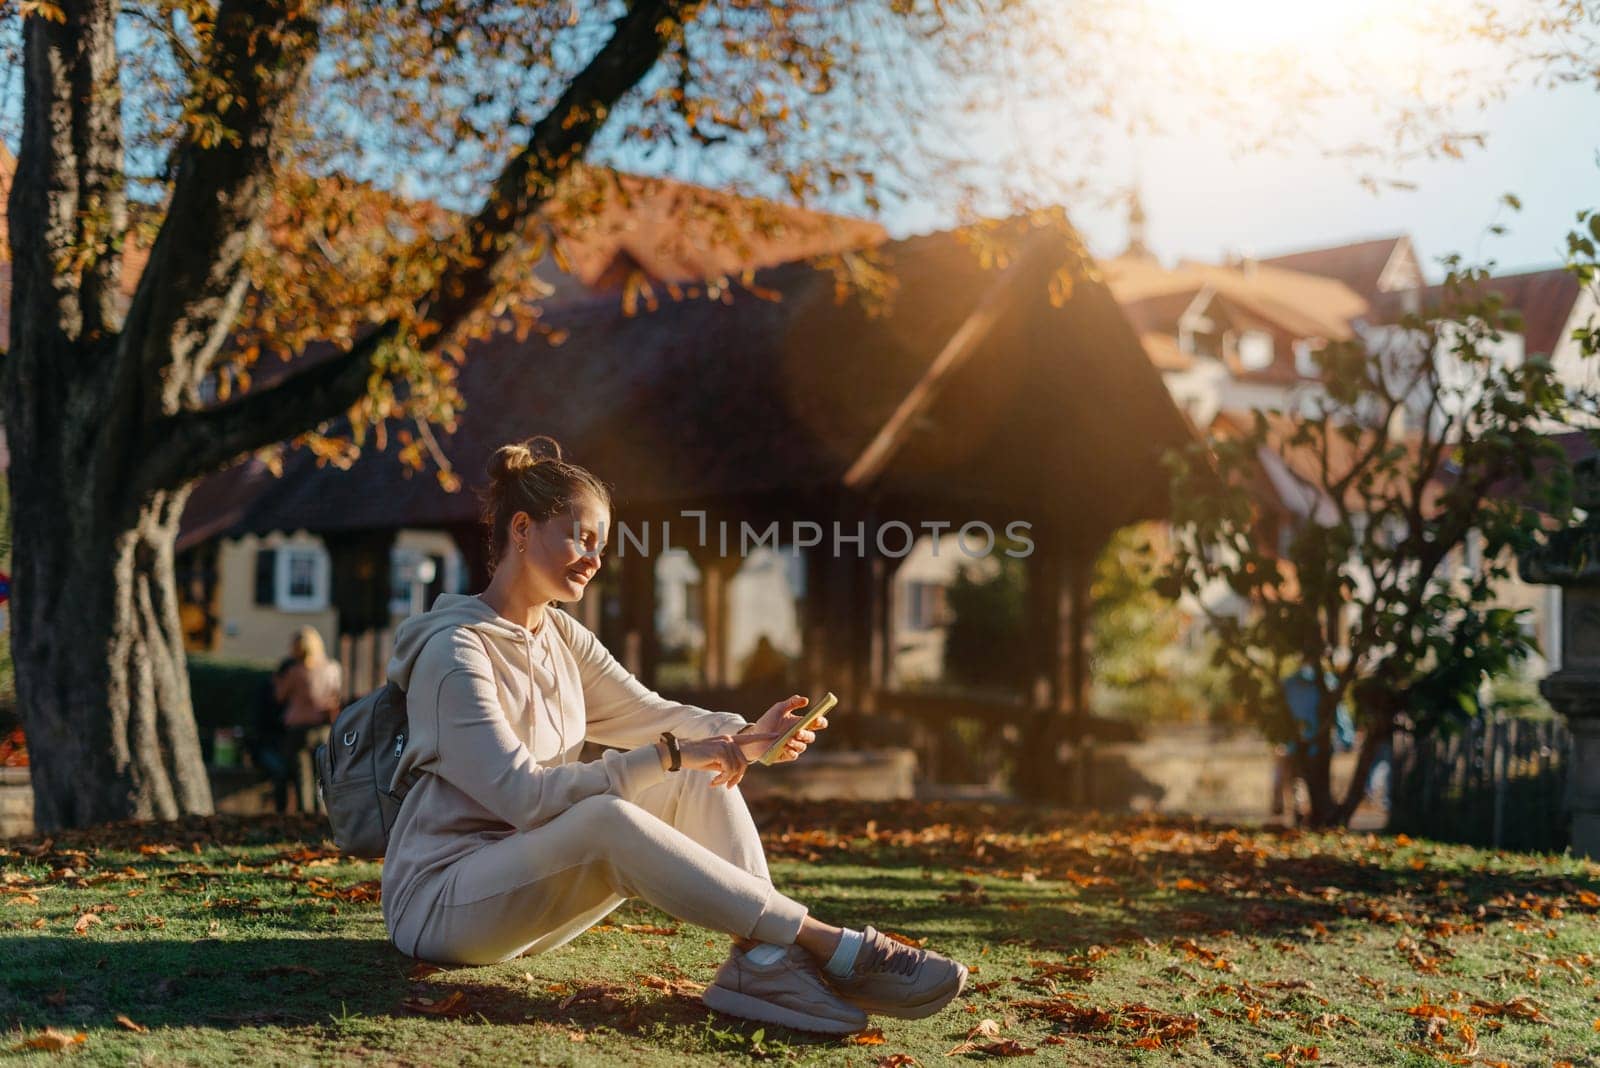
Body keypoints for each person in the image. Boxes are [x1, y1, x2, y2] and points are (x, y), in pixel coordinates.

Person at [379, 436, 968, 1035]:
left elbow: (652, 713)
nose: (594, 558)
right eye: (581, 537)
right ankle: (829, 943)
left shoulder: (560, 637)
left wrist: (744, 737)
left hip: (527, 895)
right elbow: (525, 798)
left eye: (602, 545)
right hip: (442, 904)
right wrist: (668, 756)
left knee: (699, 777)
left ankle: (762, 963)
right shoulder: (454, 654)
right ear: (523, 529)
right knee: (611, 814)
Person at [274, 627, 344, 814]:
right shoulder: (333, 668)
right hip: (323, 728)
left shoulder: (295, 671)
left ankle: (305, 813)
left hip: (298, 727)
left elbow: (280, 696)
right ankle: (322, 813)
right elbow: (336, 697)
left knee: (302, 776)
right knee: (322, 775)